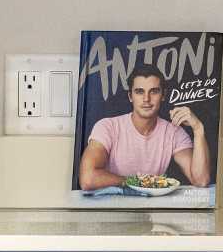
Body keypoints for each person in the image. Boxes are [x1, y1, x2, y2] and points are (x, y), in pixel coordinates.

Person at [77, 66, 212, 190]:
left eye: (154, 91)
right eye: (139, 92)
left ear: (163, 95)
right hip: (111, 207)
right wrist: (138, 182)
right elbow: (88, 179)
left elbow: (200, 180)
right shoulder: (108, 127)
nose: (146, 99)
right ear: (130, 96)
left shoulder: (174, 132)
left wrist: (198, 129)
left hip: (151, 210)